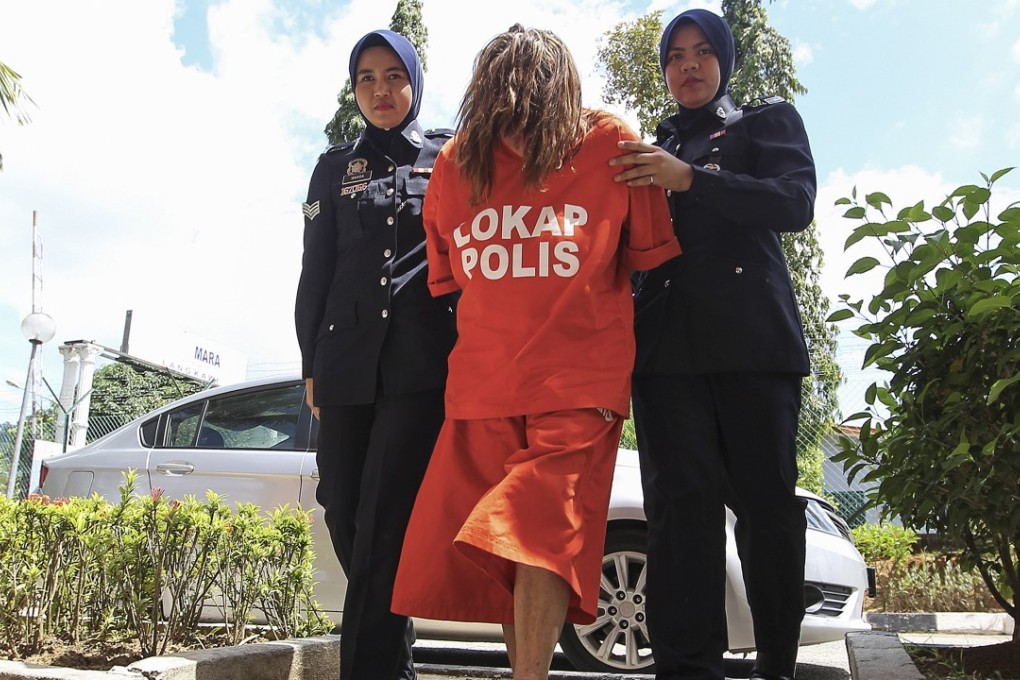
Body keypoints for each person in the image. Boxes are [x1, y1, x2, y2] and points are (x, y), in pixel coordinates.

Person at [390, 24, 681, 680]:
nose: (517, 96)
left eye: (529, 82)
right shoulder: (456, 162)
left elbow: (648, 256)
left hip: (575, 387)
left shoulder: (608, 142)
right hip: (486, 389)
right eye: (505, 83)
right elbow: (449, 278)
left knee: (534, 538)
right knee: (511, 546)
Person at [609, 9, 817, 680]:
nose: (687, 66)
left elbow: (794, 201)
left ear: (724, 60)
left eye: (701, 52)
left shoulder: (765, 122)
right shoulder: (649, 148)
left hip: (753, 348)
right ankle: (687, 669)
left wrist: (694, 179)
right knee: (679, 518)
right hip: (667, 359)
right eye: (674, 56)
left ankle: (776, 667)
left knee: (767, 512)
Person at [293, 29, 457, 680]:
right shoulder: (335, 167)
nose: (381, 90)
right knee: (341, 504)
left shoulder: (448, 156)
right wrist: (310, 363)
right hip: (343, 362)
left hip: (419, 365)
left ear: (414, 81)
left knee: (386, 520)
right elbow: (316, 271)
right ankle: (398, 665)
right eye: (366, 78)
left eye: (394, 76)